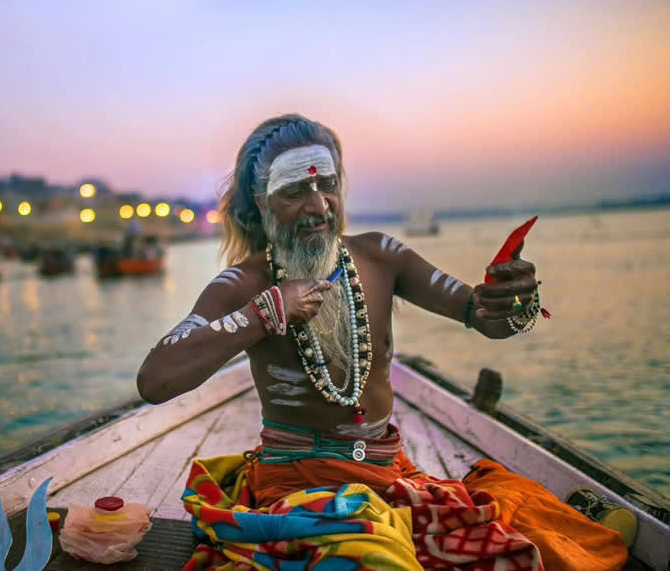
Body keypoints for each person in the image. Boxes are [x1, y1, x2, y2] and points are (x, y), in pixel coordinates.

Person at [137, 114, 629, 569]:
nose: (318, 205)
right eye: (294, 192)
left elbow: (482, 316)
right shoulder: (242, 285)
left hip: (389, 470)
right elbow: (155, 379)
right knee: (374, 554)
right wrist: (267, 312)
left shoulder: (380, 256)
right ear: (262, 204)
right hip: (297, 483)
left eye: (327, 185)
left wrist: (512, 304)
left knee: (528, 533)